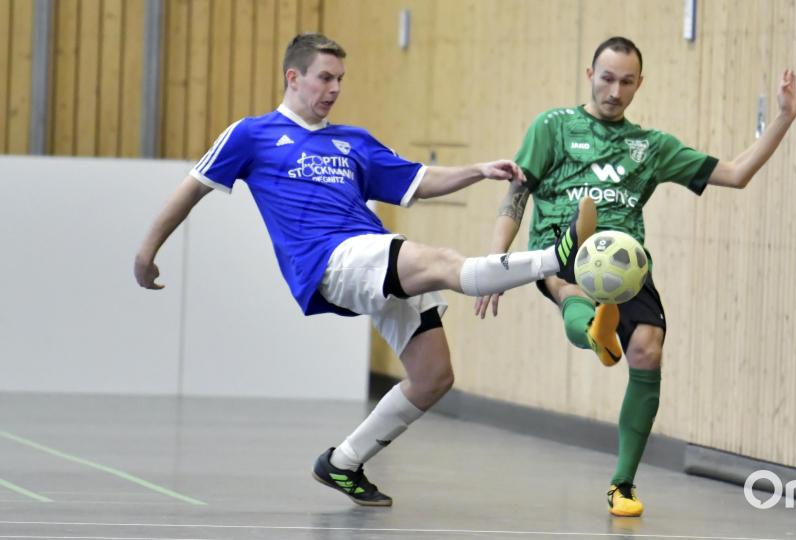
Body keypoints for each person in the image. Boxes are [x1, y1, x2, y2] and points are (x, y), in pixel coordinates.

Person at [134, 33, 597, 507]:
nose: (334, 88)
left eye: (340, 79)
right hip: (330, 259)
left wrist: (478, 169)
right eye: (325, 78)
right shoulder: (252, 134)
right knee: (440, 262)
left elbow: (419, 180)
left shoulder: (352, 140)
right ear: (293, 78)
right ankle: (555, 259)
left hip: (373, 249)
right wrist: (146, 252)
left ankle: (343, 462)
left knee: (434, 376)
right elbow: (191, 189)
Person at [475, 36, 796, 517]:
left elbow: (734, 174)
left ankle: (622, 483)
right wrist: (496, 263)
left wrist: (784, 118)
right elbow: (516, 196)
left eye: (627, 82)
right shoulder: (553, 126)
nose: (614, 91)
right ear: (590, 75)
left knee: (647, 349)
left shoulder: (650, 146)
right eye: (606, 78)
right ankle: (593, 327)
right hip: (560, 248)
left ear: (639, 84)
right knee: (568, 281)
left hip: (625, 260)